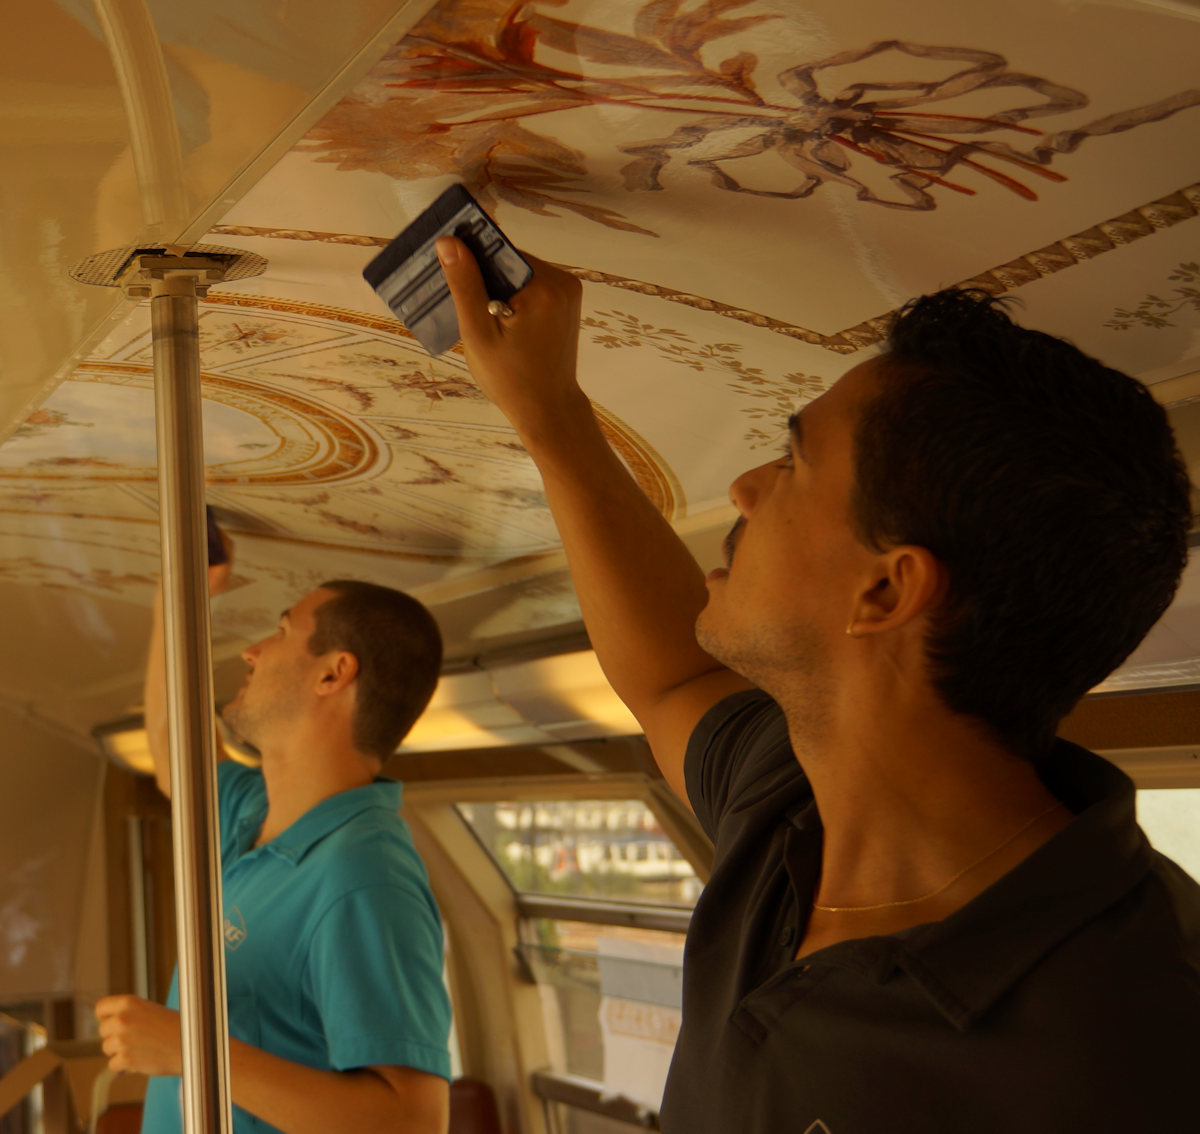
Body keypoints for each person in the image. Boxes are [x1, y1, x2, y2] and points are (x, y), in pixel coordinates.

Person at [435, 235, 1200, 1131]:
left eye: (792, 462)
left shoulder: (1137, 1048)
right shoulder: (793, 801)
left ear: (885, 589)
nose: (747, 487)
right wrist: (548, 410)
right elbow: (673, 676)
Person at [96, 546, 452, 1134]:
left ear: (332, 673)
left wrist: (194, 1050)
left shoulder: (362, 877)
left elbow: (413, 1121)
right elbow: (172, 748)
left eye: (282, 631)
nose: (252, 650)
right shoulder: (255, 809)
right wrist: (177, 594)